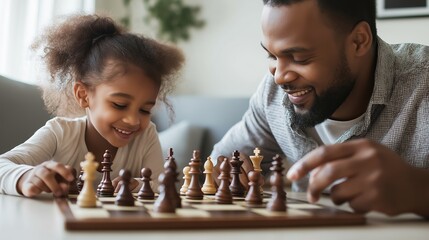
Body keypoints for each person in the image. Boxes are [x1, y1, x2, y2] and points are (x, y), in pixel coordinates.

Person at [211, 0, 429, 217]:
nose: (279, 76)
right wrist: (228, 172)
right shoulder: (272, 95)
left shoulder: (423, 82)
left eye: (300, 58)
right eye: (272, 55)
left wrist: (418, 189)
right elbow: (220, 160)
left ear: (358, 41)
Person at [0, 14, 184, 198]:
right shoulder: (59, 132)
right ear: (83, 95)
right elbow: (3, 165)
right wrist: (23, 176)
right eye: (120, 105)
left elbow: (163, 184)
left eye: (145, 110)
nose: (133, 120)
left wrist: (138, 184)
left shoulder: (146, 135)